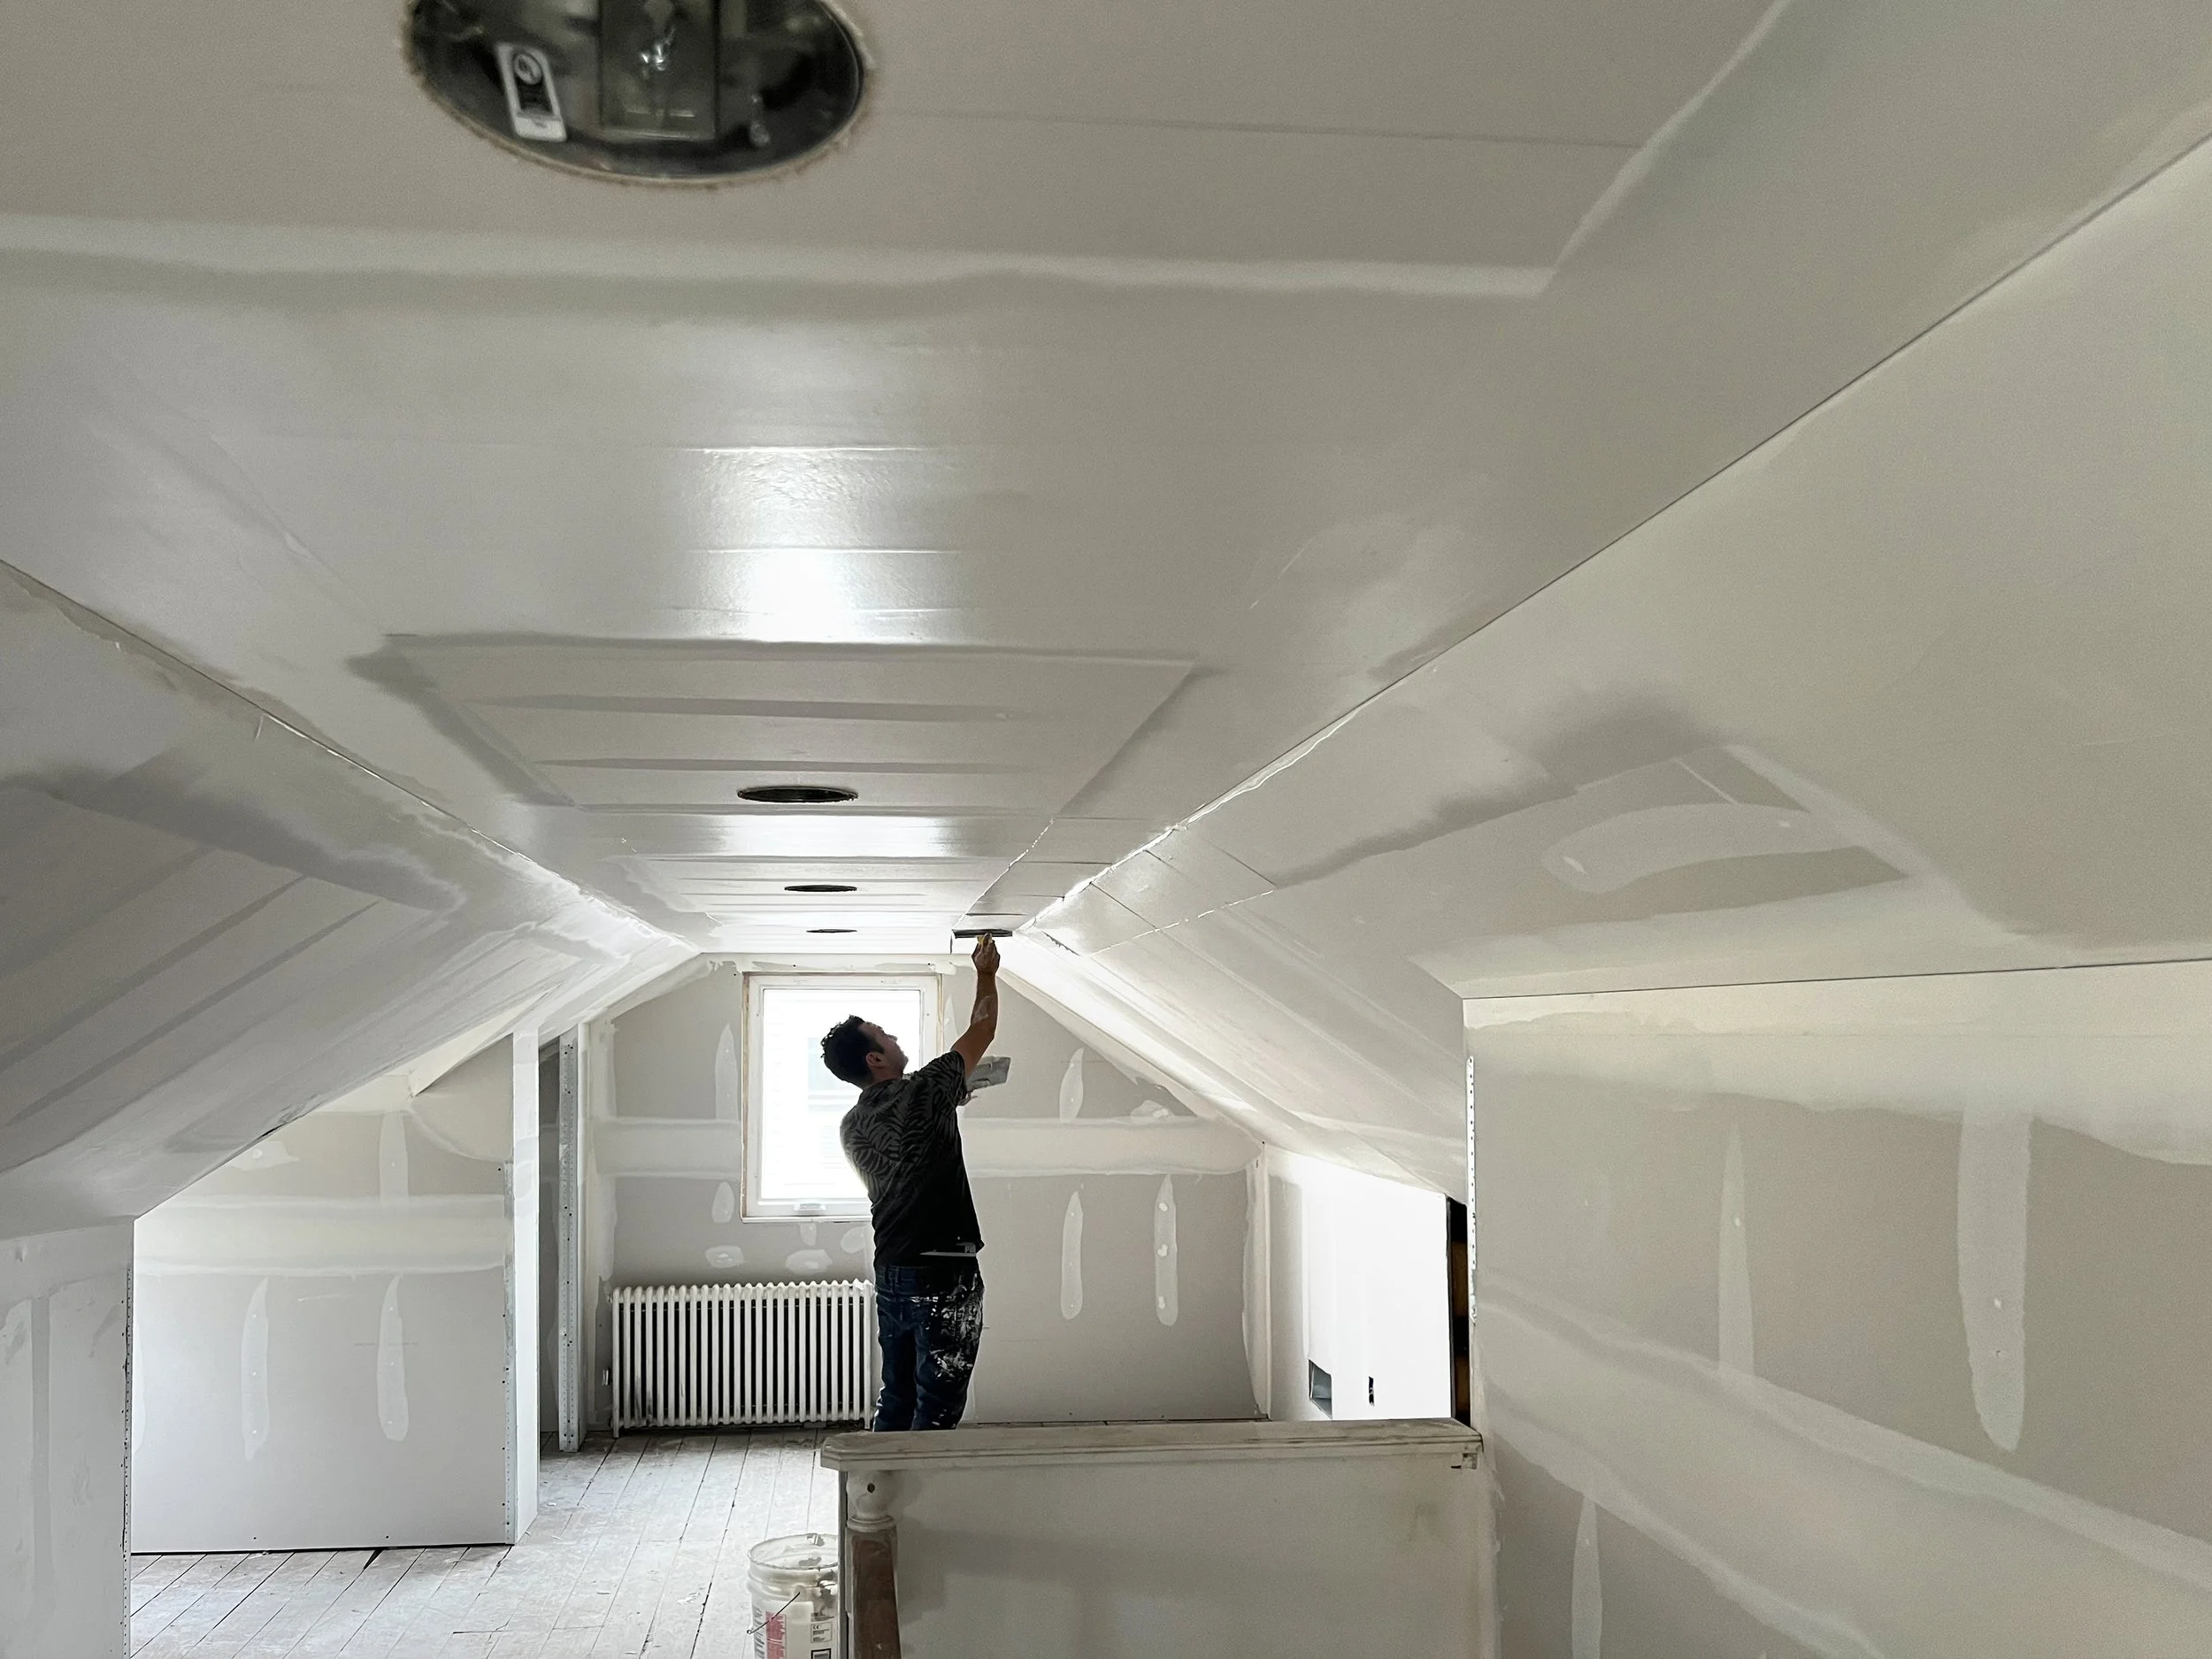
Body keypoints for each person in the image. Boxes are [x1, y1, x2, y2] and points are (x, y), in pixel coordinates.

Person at [823, 935, 1000, 1431]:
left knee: (897, 1397)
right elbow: (982, 1028)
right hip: (943, 1274)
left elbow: (903, 1158)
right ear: (875, 1059)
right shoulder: (927, 1087)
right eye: (885, 1036)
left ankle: (882, 1499)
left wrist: (946, 1104)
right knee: (938, 1404)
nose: (896, 1039)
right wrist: (986, 970)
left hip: (893, 1273)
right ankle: (931, 1505)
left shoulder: (850, 1125)